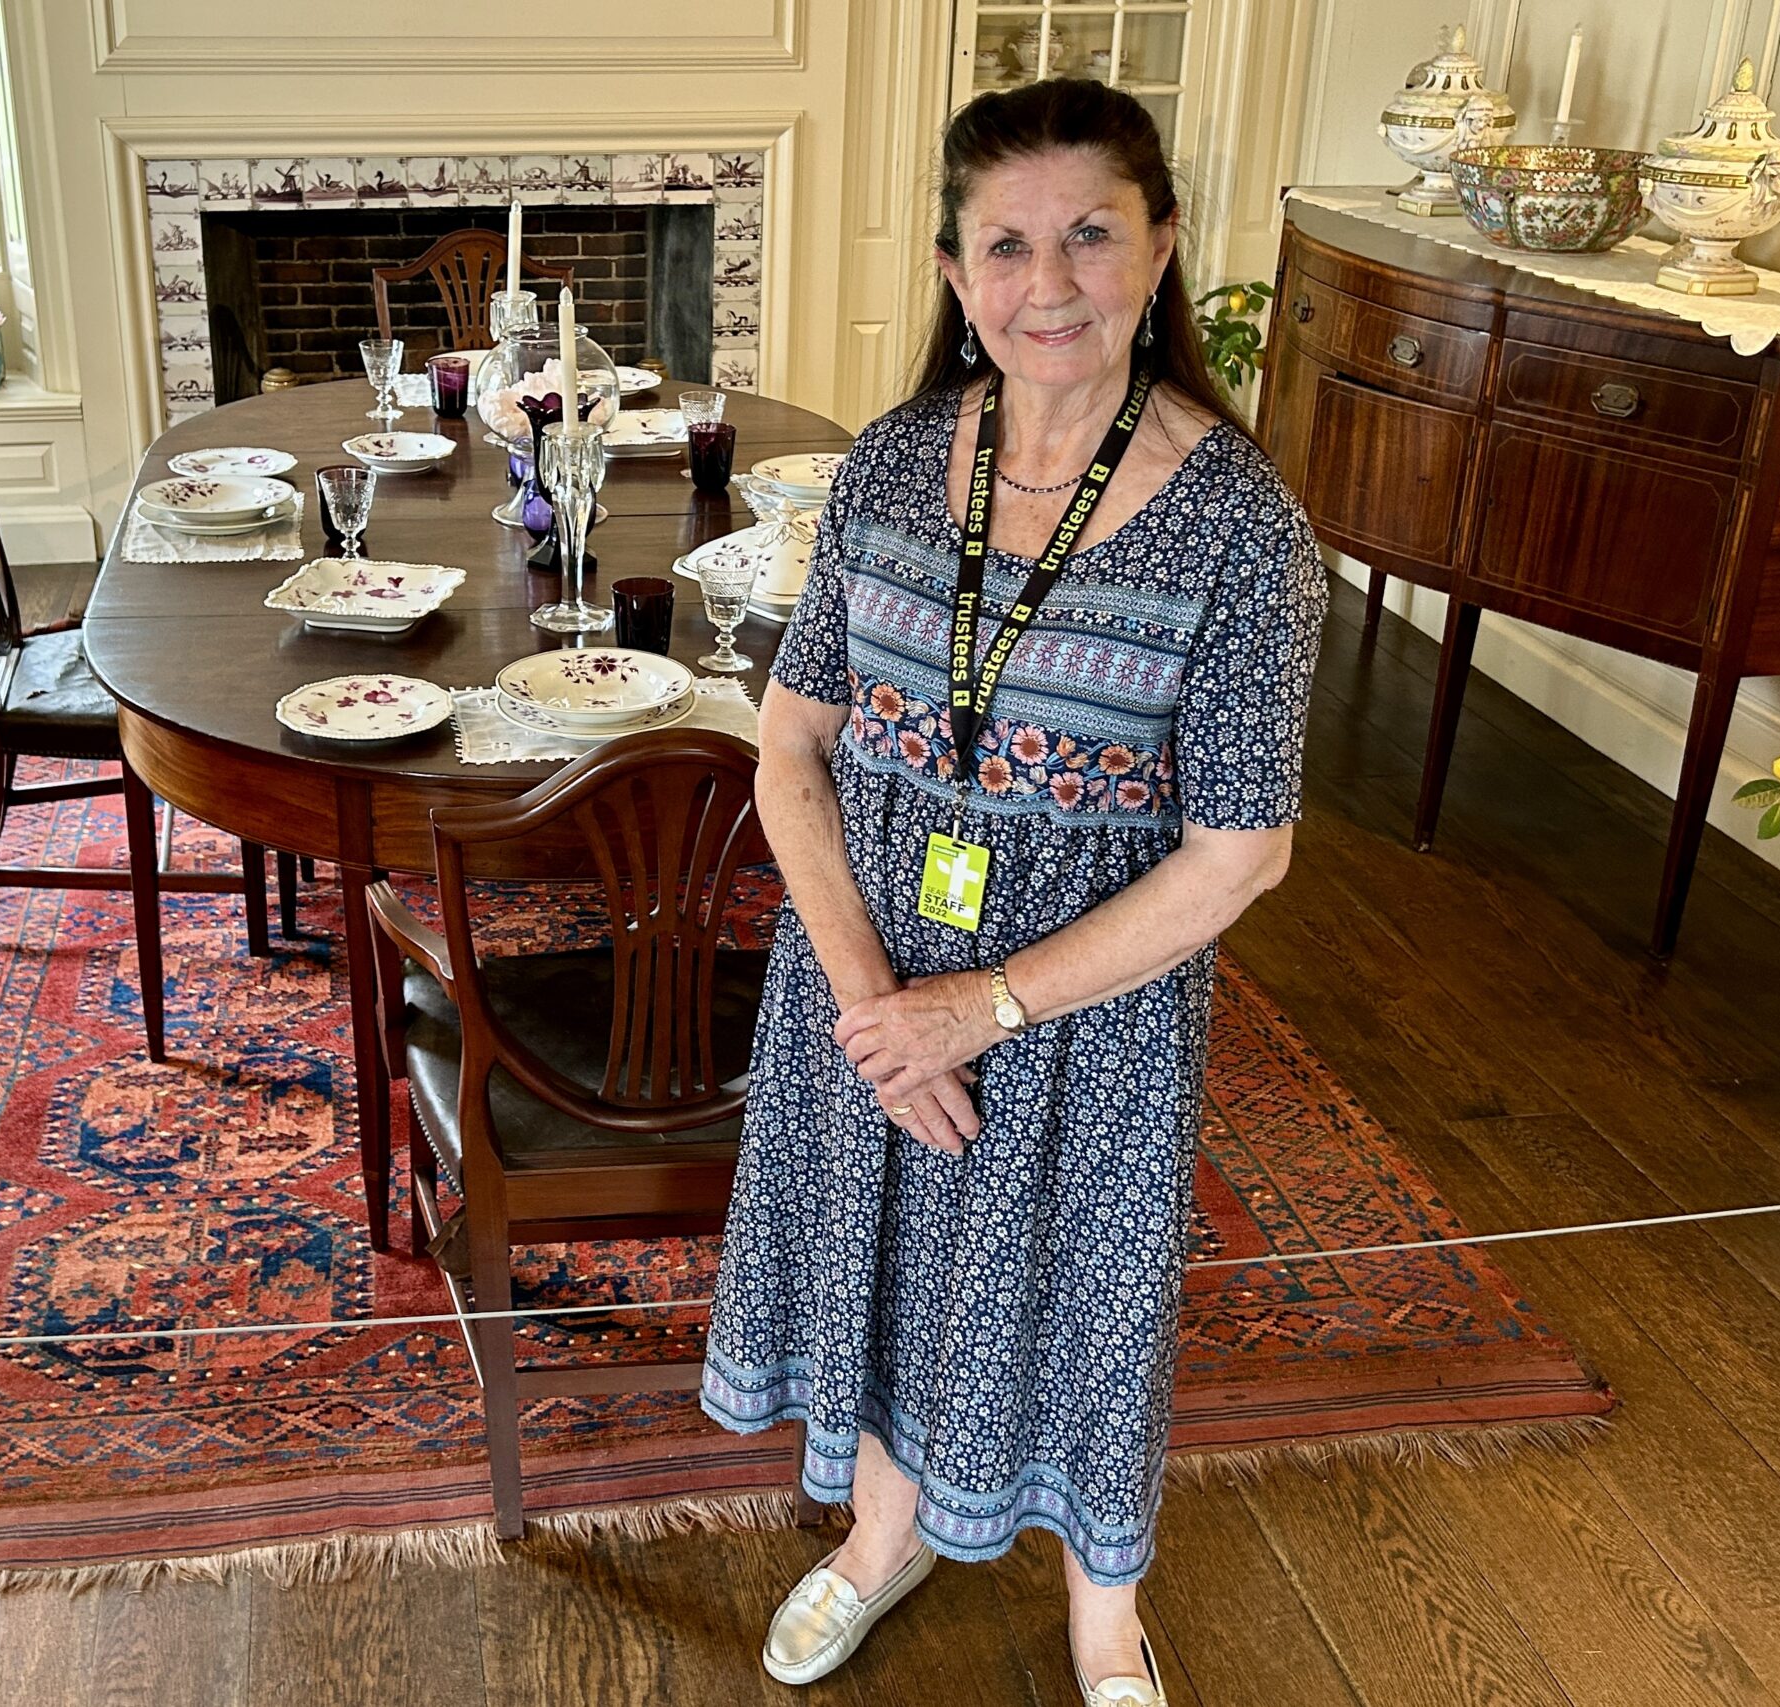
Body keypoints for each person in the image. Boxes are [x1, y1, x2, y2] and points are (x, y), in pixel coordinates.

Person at [699, 78, 1327, 1703]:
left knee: (1076, 1305)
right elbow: (791, 756)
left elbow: (1239, 851)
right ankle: (880, 1540)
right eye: (1007, 245)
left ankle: (1104, 1619)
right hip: (866, 982)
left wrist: (974, 1008)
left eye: (1092, 235)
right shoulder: (895, 466)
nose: (1050, 284)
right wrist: (872, 1010)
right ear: (954, 271)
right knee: (897, 1259)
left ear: (1162, 245)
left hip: (1083, 1018)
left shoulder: (1242, 529)